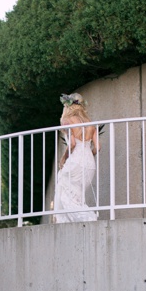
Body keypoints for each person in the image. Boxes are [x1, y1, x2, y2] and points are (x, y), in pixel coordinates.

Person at [53, 93, 100, 223]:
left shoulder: (66, 121)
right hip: (89, 162)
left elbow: (72, 144)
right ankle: (85, 221)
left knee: (65, 190)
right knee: (77, 196)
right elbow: (97, 148)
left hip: (76, 160)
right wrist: (89, 154)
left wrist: (63, 158)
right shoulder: (91, 124)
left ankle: (86, 220)